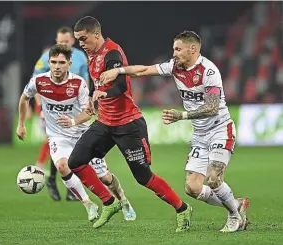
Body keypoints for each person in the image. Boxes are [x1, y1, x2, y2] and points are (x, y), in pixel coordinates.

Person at [100, 30, 250, 233]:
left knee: (213, 178)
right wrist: (119, 72)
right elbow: (144, 70)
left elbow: (213, 107)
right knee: (192, 188)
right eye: (173, 49)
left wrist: (182, 116)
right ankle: (236, 204)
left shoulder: (209, 71)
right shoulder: (174, 67)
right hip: (200, 135)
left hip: (220, 129)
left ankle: (234, 215)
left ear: (193, 49)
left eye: (178, 49)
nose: (174, 53)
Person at [67, 16, 193, 231]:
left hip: (129, 125)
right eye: (78, 39)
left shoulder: (112, 53)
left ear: (96, 35)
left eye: (83, 38)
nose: (81, 43)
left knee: (143, 178)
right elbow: (98, 82)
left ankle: (182, 209)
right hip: (105, 122)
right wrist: (91, 98)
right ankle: (110, 202)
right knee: (76, 162)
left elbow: (121, 87)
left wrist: (102, 94)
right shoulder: (92, 54)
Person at [16, 44, 136, 222]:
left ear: (69, 64)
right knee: (63, 166)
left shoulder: (78, 84)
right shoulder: (39, 81)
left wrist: (73, 121)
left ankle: (123, 200)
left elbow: (88, 113)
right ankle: (88, 204)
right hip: (58, 136)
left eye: (62, 62)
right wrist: (21, 124)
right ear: (49, 62)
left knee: (104, 177)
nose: (57, 66)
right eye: (54, 62)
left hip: (82, 134)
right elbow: (24, 98)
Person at [31, 26, 90, 202]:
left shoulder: (80, 57)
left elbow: (84, 80)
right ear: (56, 42)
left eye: (67, 41)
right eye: (60, 41)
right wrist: (40, 108)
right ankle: (54, 181)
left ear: (72, 41)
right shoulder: (47, 57)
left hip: (72, 106)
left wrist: (86, 102)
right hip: (50, 107)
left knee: (74, 145)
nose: (63, 44)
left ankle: (60, 182)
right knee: (57, 141)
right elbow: (35, 84)